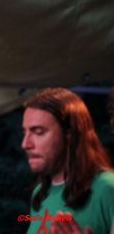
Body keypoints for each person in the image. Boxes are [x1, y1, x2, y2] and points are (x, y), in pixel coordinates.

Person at [21, 87, 114, 234]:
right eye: (24, 132)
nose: (25, 144)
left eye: (38, 133)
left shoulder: (108, 189)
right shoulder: (40, 194)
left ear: (70, 134)